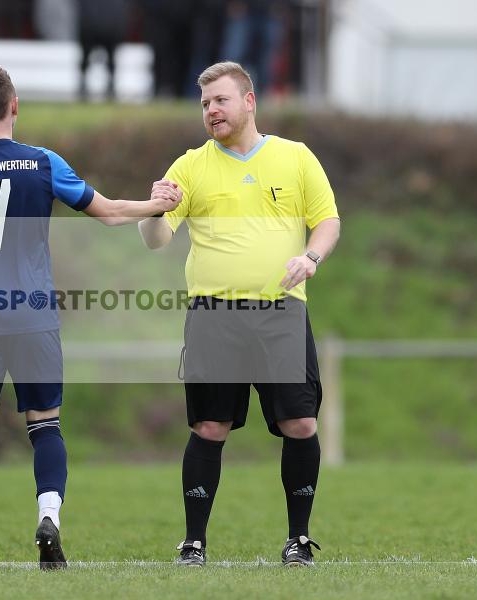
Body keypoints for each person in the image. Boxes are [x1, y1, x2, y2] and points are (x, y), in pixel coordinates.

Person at [0, 65, 181, 572]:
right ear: (15, 106)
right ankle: (49, 516)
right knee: (46, 425)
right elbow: (109, 212)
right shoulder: (42, 162)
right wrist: (156, 204)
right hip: (31, 314)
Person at [138, 61, 340, 567]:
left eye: (221, 100)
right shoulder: (189, 167)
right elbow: (157, 240)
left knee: (300, 424)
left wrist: (310, 258)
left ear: (249, 102)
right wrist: (153, 210)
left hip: (280, 314)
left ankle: (298, 540)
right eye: (205, 103)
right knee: (209, 427)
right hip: (214, 316)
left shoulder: (295, 158)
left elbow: (328, 222)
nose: (211, 111)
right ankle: (194, 544)